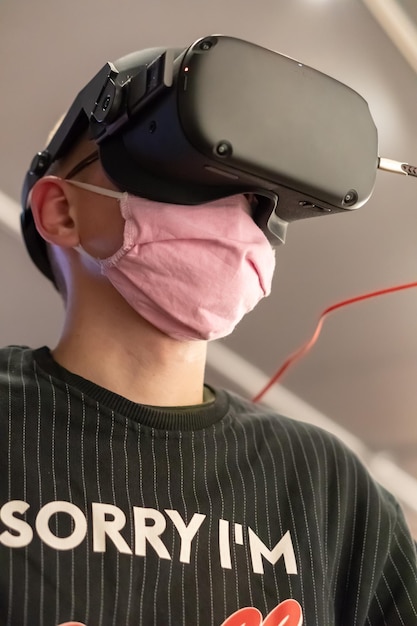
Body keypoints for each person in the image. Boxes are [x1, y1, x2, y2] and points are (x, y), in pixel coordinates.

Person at [1, 45, 417, 626]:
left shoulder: (331, 493)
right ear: (62, 212)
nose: (234, 218)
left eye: (256, 200)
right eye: (188, 175)